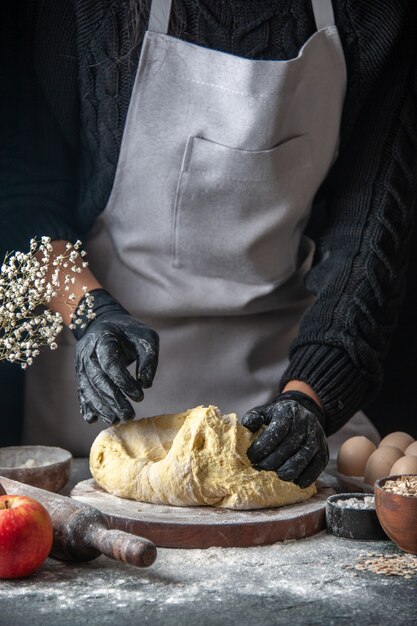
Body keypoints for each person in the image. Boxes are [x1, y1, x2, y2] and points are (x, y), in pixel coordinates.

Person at [1, 1, 416, 488]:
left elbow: (367, 240)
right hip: (102, 401)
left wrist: (309, 400)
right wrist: (89, 313)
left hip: (278, 388)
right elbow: (21, 189)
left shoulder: (373, 13)